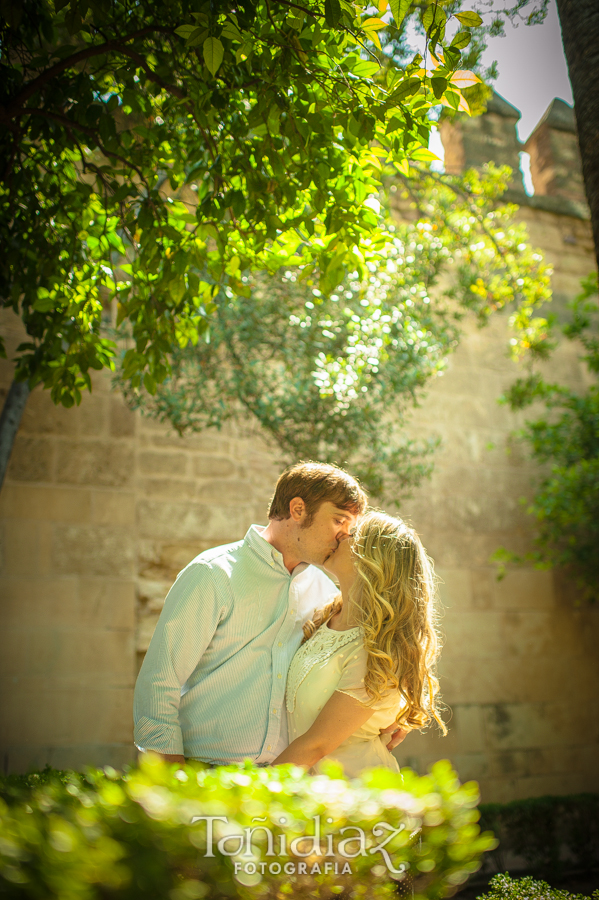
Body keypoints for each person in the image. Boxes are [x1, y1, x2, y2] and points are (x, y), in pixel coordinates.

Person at [133, 461, 402, 765]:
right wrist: (173, 780)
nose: (344, 535)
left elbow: (373, 652)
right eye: (339, 520)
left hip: (283, 782)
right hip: (205, 773)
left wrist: (391, 715)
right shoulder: (212, 574)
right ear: (298, 509)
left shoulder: (326, 592)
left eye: (350, 527)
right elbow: (158, 683)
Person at [272, 510, 447, 777]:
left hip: (359, 799)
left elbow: (316, 744)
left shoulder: (377, 650)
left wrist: (250, 794)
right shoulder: (325, 616)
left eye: (348, 534)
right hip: (312, 795)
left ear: (372, 558)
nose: (336, 536)